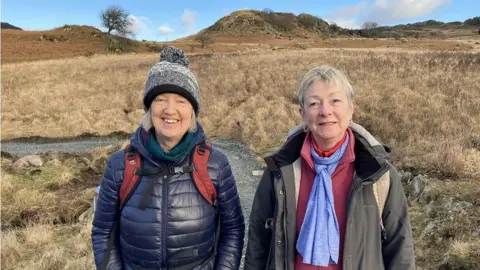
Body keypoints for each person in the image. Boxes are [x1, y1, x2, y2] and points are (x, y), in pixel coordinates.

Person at [244, 65, 415, 270]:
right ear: (303, 114)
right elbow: (257, 242)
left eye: (335, 101)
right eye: (315, 103)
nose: (325, 111)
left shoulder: (379, 175)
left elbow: (400, 250)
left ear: (351, 109)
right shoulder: (280, 171)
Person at [92, 46, 245, 270]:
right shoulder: (120, 165)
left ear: (192, 110)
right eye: (161, 99)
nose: (170, 110)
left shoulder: (215, 165)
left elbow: (233, 231)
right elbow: (103, 232)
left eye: (181, 101)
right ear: (149, 107)